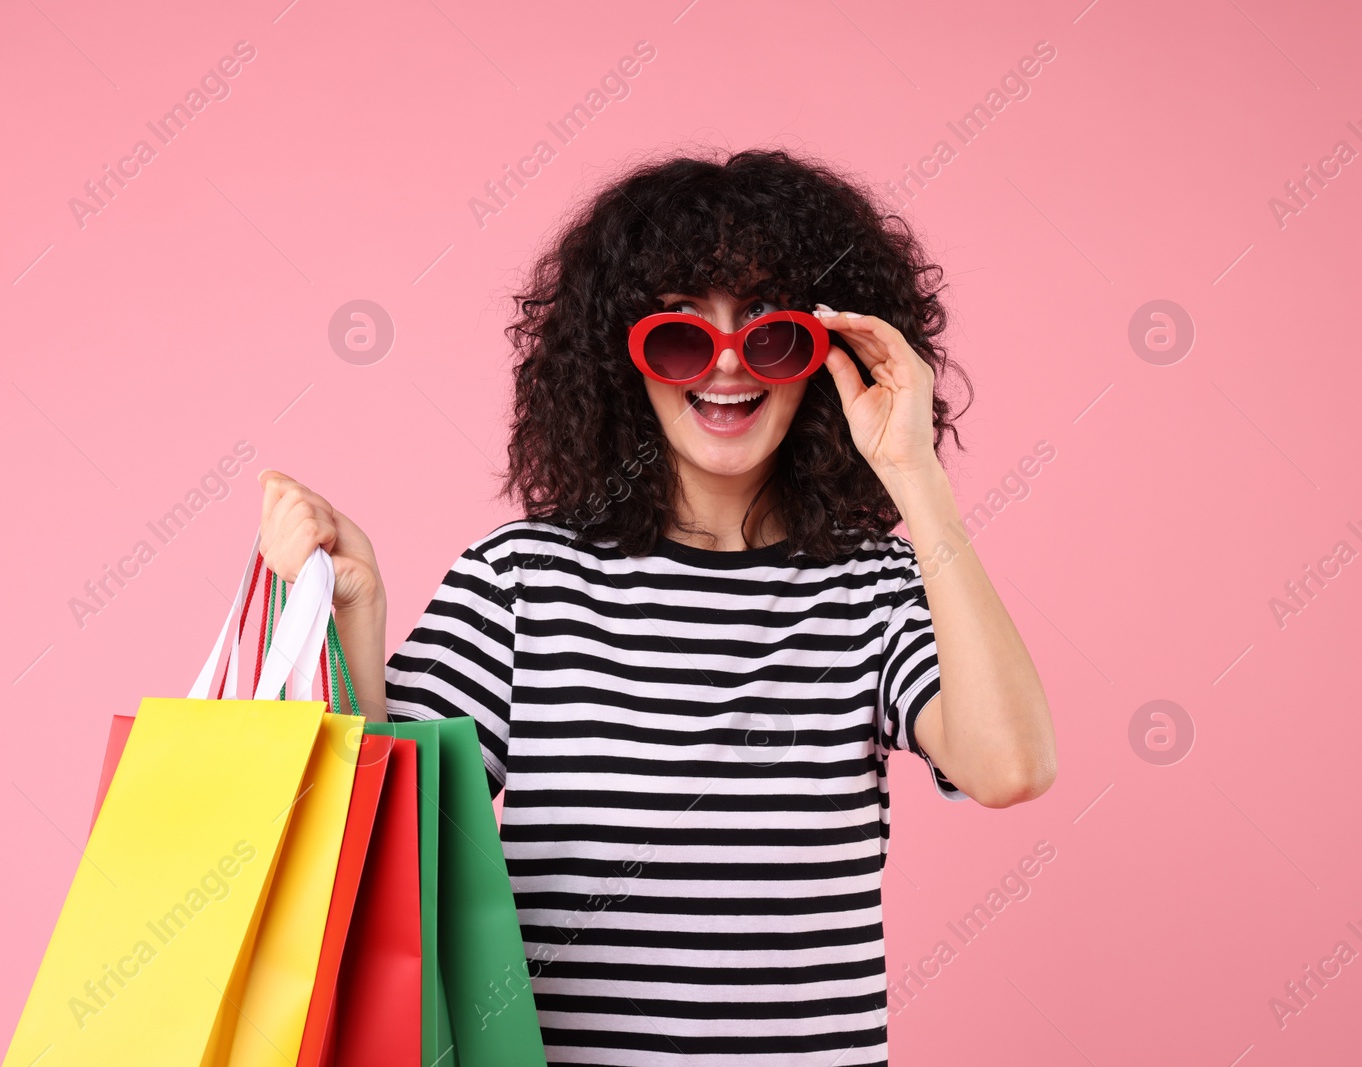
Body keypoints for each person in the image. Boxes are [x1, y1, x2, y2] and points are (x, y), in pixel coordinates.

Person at [256, 148, 1056, 1066]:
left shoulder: (872, 588)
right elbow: (384, 854)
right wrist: (355, 616)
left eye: (770, 333)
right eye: (681, 335)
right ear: (621, 360)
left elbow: (1010, 766)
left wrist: (914, 475)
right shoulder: (525, 579)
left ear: (826, 356)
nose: (725, 366)